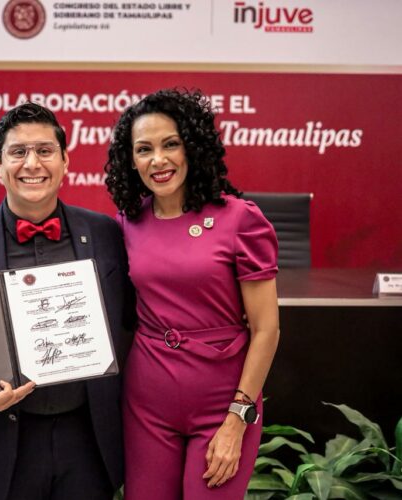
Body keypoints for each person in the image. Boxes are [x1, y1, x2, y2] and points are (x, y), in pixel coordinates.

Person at [0, 102, 136, 500]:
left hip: (88, 440)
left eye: (45, 151)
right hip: (2, 441)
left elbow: (130, 323)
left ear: (65, 161)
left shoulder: (106, 234)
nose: (32, 163)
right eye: (18, 152)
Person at [105, 88, 280, 499]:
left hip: (223, 403)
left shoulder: (241, 219)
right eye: (144, 149)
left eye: (171, 144)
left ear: (193, 146)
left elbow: (267, 330)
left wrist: (237, 418)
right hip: (147, 402)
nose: (158, 160)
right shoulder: (128, 222)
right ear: (131, 159)